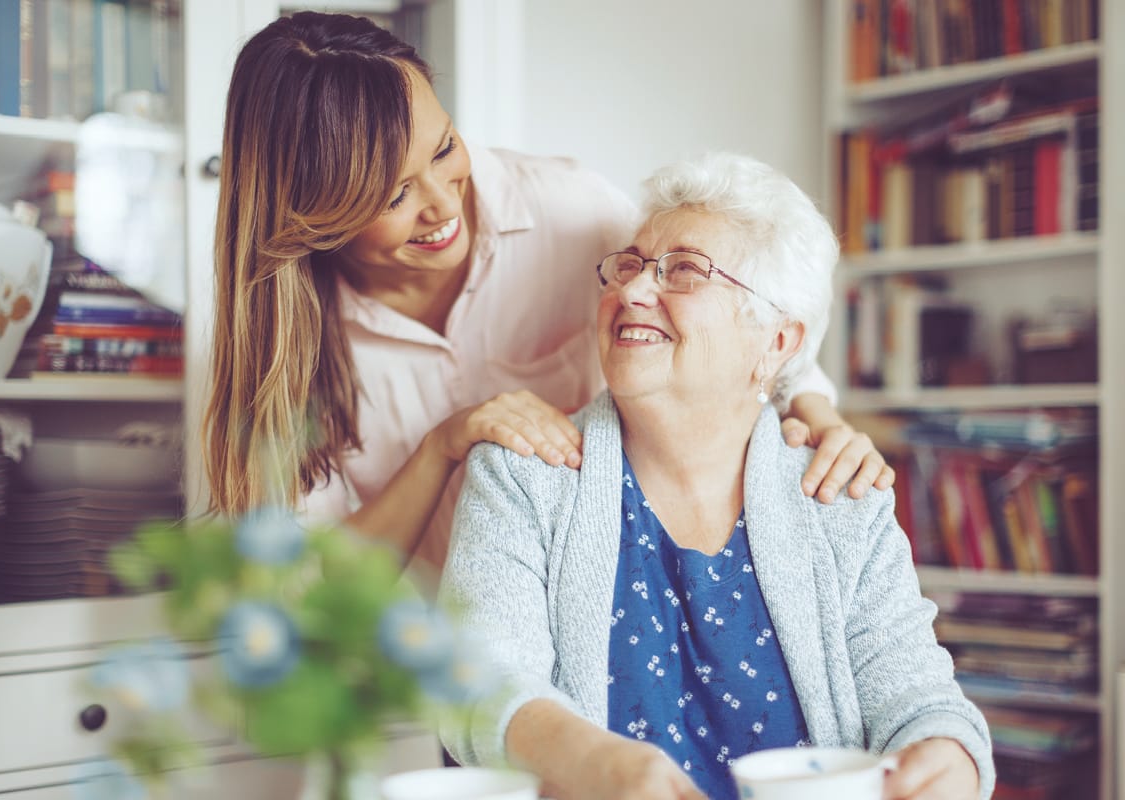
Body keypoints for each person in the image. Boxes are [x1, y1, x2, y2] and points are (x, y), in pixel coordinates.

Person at [200, 11, 894, 568]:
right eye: (393, 194)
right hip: (425, 679)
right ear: (312, 211)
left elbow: (731, 318)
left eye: (443, 150)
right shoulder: (289, 348)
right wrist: (444, 445)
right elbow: (311, 598)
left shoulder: (570, 212)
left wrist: (824, 421)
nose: (442, 206)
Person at [438, 152, 993, 800]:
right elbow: (475, 684)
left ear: (777, 343)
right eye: (630, 266)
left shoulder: (840, 497)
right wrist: (598, 764)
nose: (633, 292)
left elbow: (918, 695)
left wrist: (948, 755)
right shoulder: (523, 474)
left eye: (683, 272)